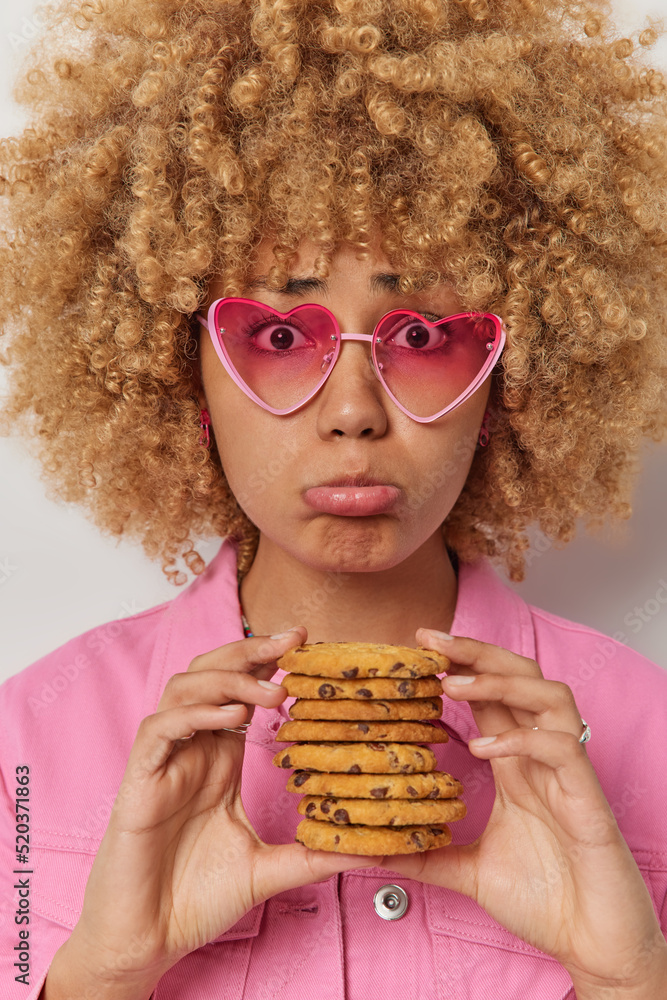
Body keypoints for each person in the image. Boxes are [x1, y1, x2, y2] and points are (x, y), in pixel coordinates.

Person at [1, 0, 666, 997]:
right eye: (277, 338)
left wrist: (629, 982)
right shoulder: (24, 751)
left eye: (422, 335)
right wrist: (99, 977)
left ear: (502, 389)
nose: (353, 412)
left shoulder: (647, 738)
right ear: (188, 380)